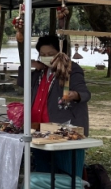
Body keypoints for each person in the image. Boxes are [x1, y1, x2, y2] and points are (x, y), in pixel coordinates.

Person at [18, 35, 91, 174]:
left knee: (65, 170)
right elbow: (22, 82)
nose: (47, 57)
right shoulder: (41, 70)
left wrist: (74, 95)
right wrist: (27, 65)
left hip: (61, 128)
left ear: (61, 52)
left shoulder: (71, 69)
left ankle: (69, 186)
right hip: (39, 129)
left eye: (51, 54)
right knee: (43, 168)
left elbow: (85, 93)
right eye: (43, 54)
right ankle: (44, 185)